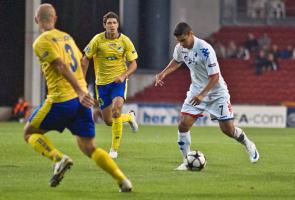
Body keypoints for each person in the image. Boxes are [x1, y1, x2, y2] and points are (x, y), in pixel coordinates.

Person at [23, 4, 132, 192]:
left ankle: (58, 159)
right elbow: (82, 60)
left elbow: (61, 66)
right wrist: (83, 91)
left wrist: (80, 91)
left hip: (62, 99)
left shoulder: (41, 41)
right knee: (90, 148)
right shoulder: (67, 37)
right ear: (55, 18)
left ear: (36, 20)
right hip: (81, 102)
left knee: (29, 133)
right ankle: (123, 180)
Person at [155, 22, 260, 170]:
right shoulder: (180, 48)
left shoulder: (205, 50)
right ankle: (186, 161)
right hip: (196, 90)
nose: (181, 44)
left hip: (216, 93)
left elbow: (215, 77)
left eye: (183, 40)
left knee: (228, 130)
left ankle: (248, 144)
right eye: (178, 41)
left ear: (191, 34)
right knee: (183, 124)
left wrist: (203, 95)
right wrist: (163, 73)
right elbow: (177, 61)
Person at [82, 12, 138, 159]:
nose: (112, 26)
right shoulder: (97, 40)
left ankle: (114, 149)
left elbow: (134, 64)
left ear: (118, 24)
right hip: (101, 85)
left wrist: (123, 76)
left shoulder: (125, 41)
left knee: (116, 110)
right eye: (109, 23)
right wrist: (81, 81)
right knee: (108, 121)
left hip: (118, 83)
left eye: (114, 23)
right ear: (104, 25)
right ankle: (130, 117)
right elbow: (85, 59)